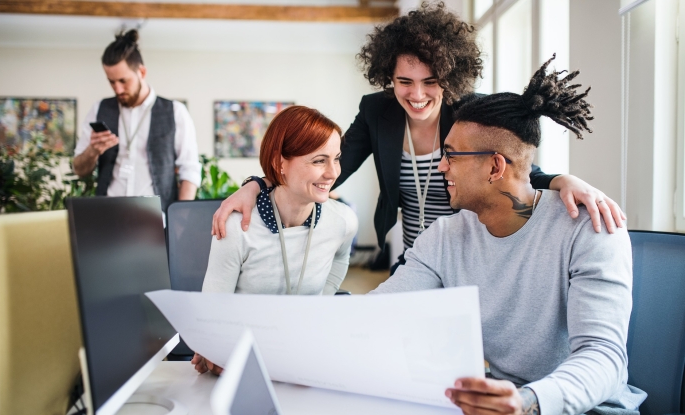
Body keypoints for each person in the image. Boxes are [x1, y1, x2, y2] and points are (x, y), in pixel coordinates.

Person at [210, 3, 625, 274]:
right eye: (404, 82)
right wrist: (258, 184)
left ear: (449, 76)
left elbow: (514, 168)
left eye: (431, 81)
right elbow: (323, 167)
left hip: (472, 255)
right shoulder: (377, 111)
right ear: (387, 79)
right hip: (415, 258)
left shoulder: (469, 113)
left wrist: (561, 181)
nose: (418, 94)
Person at [372, 56, 646, 415]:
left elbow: (604, 358)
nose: (441, 167)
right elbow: (379, 312)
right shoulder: (444, 237)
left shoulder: (590, 230)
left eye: (451, 156)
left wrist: (529, 401)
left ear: (495, 166)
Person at [192, 106, 358, 375]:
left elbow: (340, 258)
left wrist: (321, 302)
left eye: (336, 158)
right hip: (246, 358)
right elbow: (213, 311)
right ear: (280, 162)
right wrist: (213, 347)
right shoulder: (238, 227)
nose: (332, 172)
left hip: (304, 358)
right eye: (319, 161)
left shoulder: (342, 221)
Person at [73, 29, 201, 212]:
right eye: (111, 82)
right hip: (107, 217)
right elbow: (79, 169)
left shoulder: (176, 112)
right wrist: (92, 151)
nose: (117, 89)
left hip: (157, 219)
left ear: (142, 71)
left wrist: (180, 220)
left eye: (123, 81)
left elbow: (190, 171)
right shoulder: (98, 109)